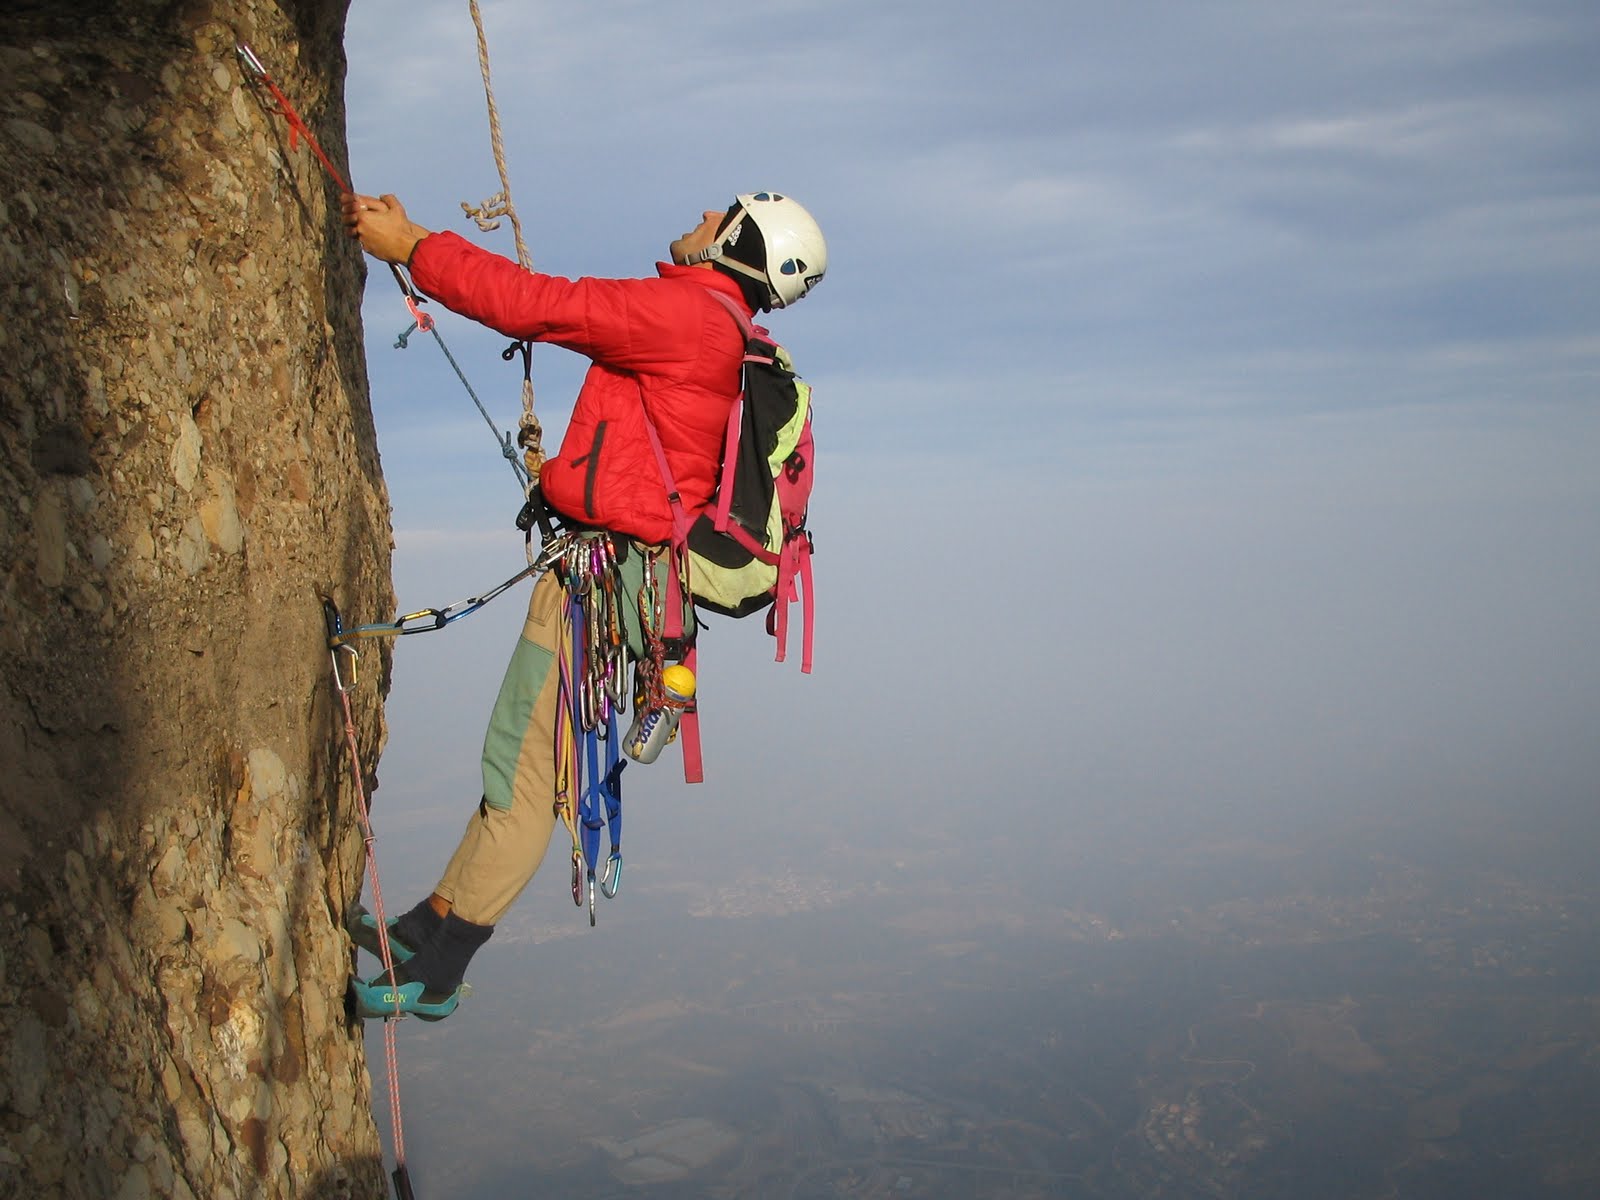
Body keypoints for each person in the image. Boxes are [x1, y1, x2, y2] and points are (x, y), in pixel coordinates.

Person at [339, 189, 828, 1019]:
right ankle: (429, 925)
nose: (701, 215)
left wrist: (413, 247)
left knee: (523, 777)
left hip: (598, 587)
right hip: (633, 589)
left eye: (720, 214)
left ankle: (439, 971)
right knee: (526, 760)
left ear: (736, 241)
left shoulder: (685, 314)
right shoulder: (724, 334)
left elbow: (539, 306)